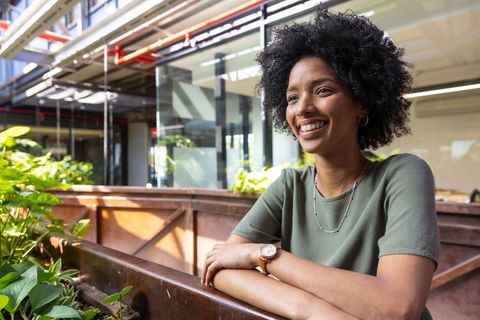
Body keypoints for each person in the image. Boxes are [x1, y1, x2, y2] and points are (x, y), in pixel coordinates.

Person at [201, 9, 439, 320]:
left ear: (362, 103)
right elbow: (219, 269)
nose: (303, 109)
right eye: (292, 97)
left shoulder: (403, 174)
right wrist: (310, 310)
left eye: (323, 90)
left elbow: (398, 306)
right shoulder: (290, 187)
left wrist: (262, 255)